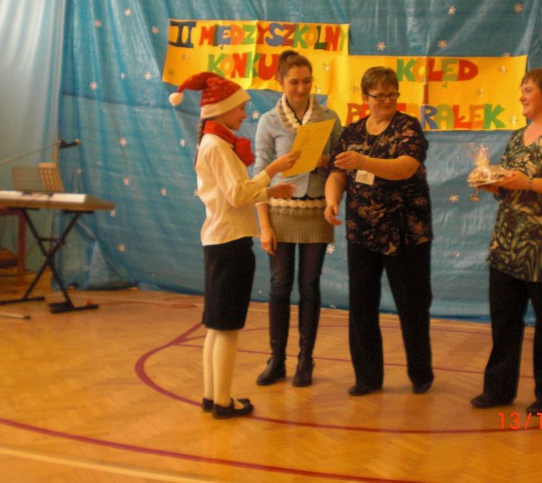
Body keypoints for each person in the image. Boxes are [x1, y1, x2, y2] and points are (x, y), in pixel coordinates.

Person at [169, 71, 299, 419]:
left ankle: (213, 396)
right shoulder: (216, 146)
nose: (244, 114)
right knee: (227, 328)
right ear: (222, 109)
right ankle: (224, 402)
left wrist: (268, 191)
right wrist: (271, 169)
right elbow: (237, 195)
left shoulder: (215, 143)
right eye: (240, 108)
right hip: (229, 245)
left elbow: (231, 195)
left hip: (219, 242)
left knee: (216, 326)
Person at [469, 67, 542, 416]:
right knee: (504, 320)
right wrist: (494, 184)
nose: (521, 96)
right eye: (521, 90)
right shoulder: (517, 137)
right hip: (508, 245)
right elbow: (511, 183)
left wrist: (528, 182)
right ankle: (498, 389)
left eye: (528, 90)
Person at [324, 66, 434, 396]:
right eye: (379, 95)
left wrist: (363, 161)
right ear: (365, 97)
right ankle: (367, 377)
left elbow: (405, 168)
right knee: (361, 306)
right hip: (362, 231)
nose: (386, 100)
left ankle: (421, 374)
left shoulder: (408, 127)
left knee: (412, 306)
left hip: (406, 232)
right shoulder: (352, 132)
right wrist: (331, 201)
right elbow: (337, 173)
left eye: (391, 94)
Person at [253, 50, 342, 387]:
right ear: (280, 82)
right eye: (294, 82)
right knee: (279, 285)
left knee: (309, 285)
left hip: (315, 212)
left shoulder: (329, 117)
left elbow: (341, 168)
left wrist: (326, 162)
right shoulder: (268, 121)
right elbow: (260, 173)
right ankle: (276, 359)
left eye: (307, 81)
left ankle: (306, 359)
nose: (302, 88)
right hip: (279, 212)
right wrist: (264, 225)